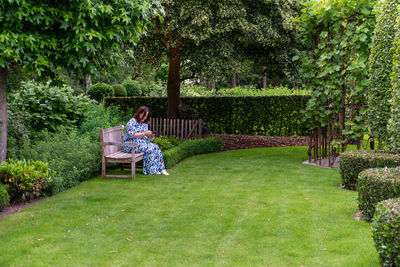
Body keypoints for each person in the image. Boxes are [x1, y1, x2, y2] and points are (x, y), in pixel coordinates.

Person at [121, 106, 169, 176]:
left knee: (156, 147)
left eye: (146, 116)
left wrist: (150, 136)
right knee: (149, 149)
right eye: (144, 115)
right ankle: (151, 171)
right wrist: (144, 133)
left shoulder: (144, 124)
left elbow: (145, 138)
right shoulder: (131, 122)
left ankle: (161, 169)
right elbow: (132, 135)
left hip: (140, 144)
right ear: (139, 113)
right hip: (130, 145)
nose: (145, 117)